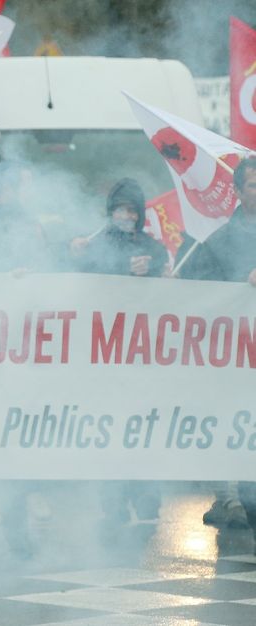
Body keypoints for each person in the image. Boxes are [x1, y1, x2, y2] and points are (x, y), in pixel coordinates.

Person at [176, 156, 256, 540]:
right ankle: (230, 495)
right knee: (233, 424)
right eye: (253, 185)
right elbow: (198, 290)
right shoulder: (220, 240)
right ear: (239, 192)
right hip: (236, 358)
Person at [70, 177, 168, 277]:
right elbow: (82, 273)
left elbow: (160, 282)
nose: (125, 216)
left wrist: (167, 278)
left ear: (140, 215)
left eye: (132, 210)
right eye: (120, 210)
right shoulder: (92, 242)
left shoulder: (155, 248)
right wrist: (74, 251)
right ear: (111, 213)